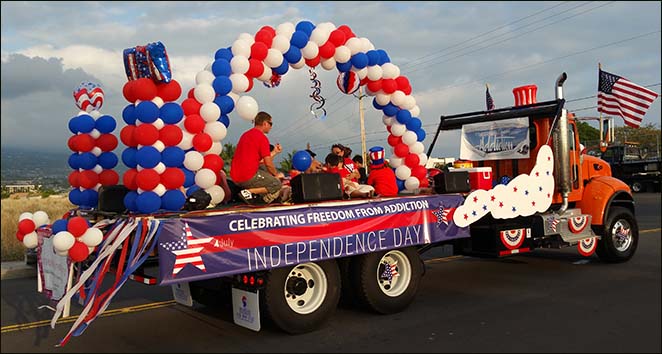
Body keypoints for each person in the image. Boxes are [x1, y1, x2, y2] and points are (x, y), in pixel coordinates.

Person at [230, 111, 286, 204]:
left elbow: (261, 162)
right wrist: (276, 175)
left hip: (235, 177)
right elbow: (268, 164)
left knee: (264, 170)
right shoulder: (262, 138)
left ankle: (251, 195)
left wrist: (275, 152)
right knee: (276, 184)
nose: (271, 127)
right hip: (248, 176)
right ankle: (251, 194)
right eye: (270, 124)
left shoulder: (245, 135)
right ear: (265, 123)